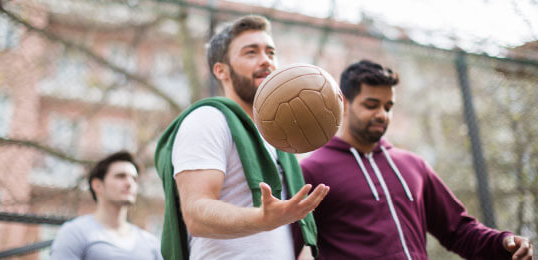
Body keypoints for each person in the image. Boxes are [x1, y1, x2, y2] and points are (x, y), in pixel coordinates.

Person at [297, 60, 534, 260]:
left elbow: (458, 230)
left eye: (388, 107)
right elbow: (287, 247)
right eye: (371, 105)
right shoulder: (313, 170)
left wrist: (503, 243)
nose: (382, 114)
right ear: (344, 103)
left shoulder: (413, 165)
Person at [154, 15, 329, 260]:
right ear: (221, 70)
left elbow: (292, 234)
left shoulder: (280, 139)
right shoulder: (209, 119)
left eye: (271, 52)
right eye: (251, 53)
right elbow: (196, 213)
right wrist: (263, 219)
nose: (266, 61)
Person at [50, 151, 162, 260]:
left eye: (134, 179)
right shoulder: (74, 233)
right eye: (120, 176)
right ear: (97, 185)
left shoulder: (151, 242)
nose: (129, 183)